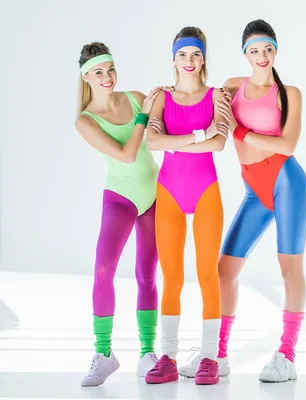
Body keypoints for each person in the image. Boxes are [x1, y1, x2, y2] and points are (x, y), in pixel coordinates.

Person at [214, 19, 306, 383]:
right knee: (225, 270)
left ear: (275, 51)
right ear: (244, 54)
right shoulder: (231, 87)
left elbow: (287, 145)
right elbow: (201, 100)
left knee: (289, 268)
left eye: (267, 49)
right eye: (253, 50)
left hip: (288, 184)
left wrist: (242, 132)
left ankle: (286, 355)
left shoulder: (290, 93)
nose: (261, 56)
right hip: (254, 189)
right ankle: (219, 354)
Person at [74, 42, 167, 386]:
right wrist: (144, 113)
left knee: (147, 274)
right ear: (86, 77)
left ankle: (147, 352)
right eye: (99, 72)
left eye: (110, 69)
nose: (107, 76)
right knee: (103, 268)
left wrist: (165, 98)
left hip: (154, 194)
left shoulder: (135, 96)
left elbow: (162, 133)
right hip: (121, 197)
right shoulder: (85, 121)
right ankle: (104, 353)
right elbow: (128, 155)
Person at [143, 26, 229, 386]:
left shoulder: (216, 95)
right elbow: (151, 141)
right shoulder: (162, 97)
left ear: (203, 57)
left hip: (205, 190)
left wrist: (176, 143)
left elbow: (220, 145)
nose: (189, 61)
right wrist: (199, 135)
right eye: (183, 54)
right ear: (173, 58)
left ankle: (209, 357)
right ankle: (168, 357)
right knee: (172, 277)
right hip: (170, 195)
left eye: (195, 54)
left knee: (208, 275)